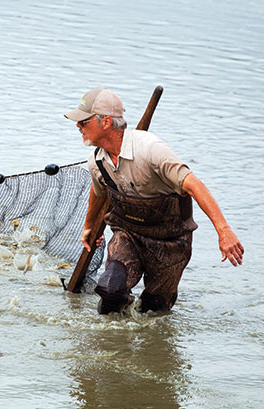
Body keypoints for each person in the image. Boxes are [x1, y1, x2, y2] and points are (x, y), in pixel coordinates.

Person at [64, 88, 244, 314]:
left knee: (155, 311)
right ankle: (112, 344)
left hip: (170, 242)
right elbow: (99, 192)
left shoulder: (151, 150)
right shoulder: (97, 161)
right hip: (127, 234)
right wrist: (89, 226)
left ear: (106, 122)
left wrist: (223, 230)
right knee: (110, 290)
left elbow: (194, 185)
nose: (78, 127)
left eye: (84, 122)